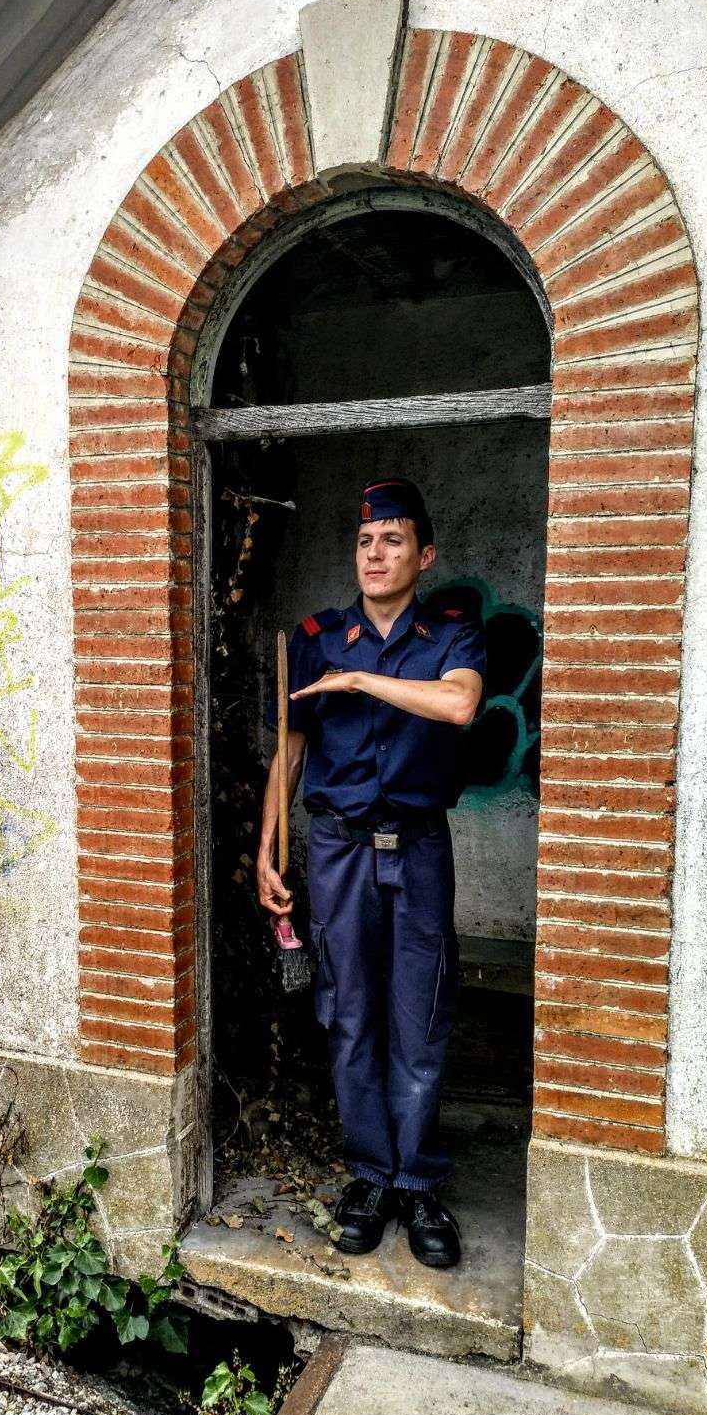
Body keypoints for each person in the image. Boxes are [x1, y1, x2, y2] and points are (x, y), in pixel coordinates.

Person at [256, 480, 485, 1267]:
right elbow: (289, 752)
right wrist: (265, 851)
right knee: (349, 1013)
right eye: (365, 542)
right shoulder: (315, 637)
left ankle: (416, 1181)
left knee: (419, 1015)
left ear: (424, 555)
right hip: (339, 847)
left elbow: (457, 707)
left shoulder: (453, 635)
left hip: (417, 845)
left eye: (393, 541)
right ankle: (369, 1176)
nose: (376, 555)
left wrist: (359, 682)